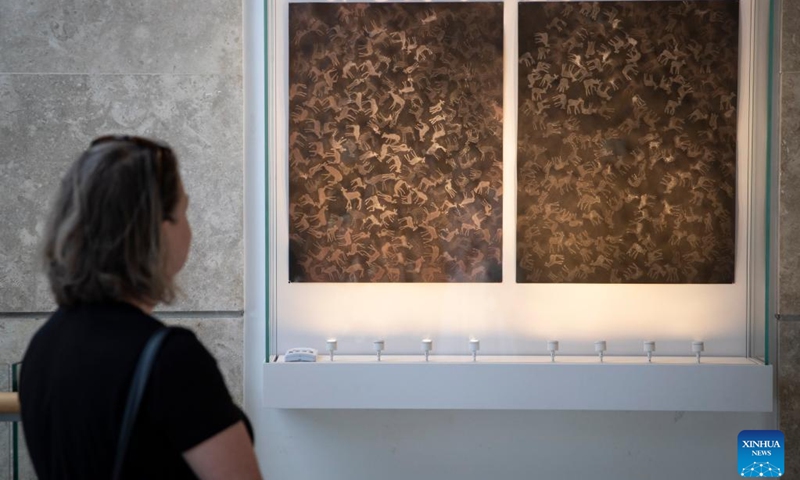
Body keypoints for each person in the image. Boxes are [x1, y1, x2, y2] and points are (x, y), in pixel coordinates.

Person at [19, 135, 262, 480]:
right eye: (184, 212)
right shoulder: (172, 359)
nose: (190, 230)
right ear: (158, 232)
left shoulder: (44, 345)